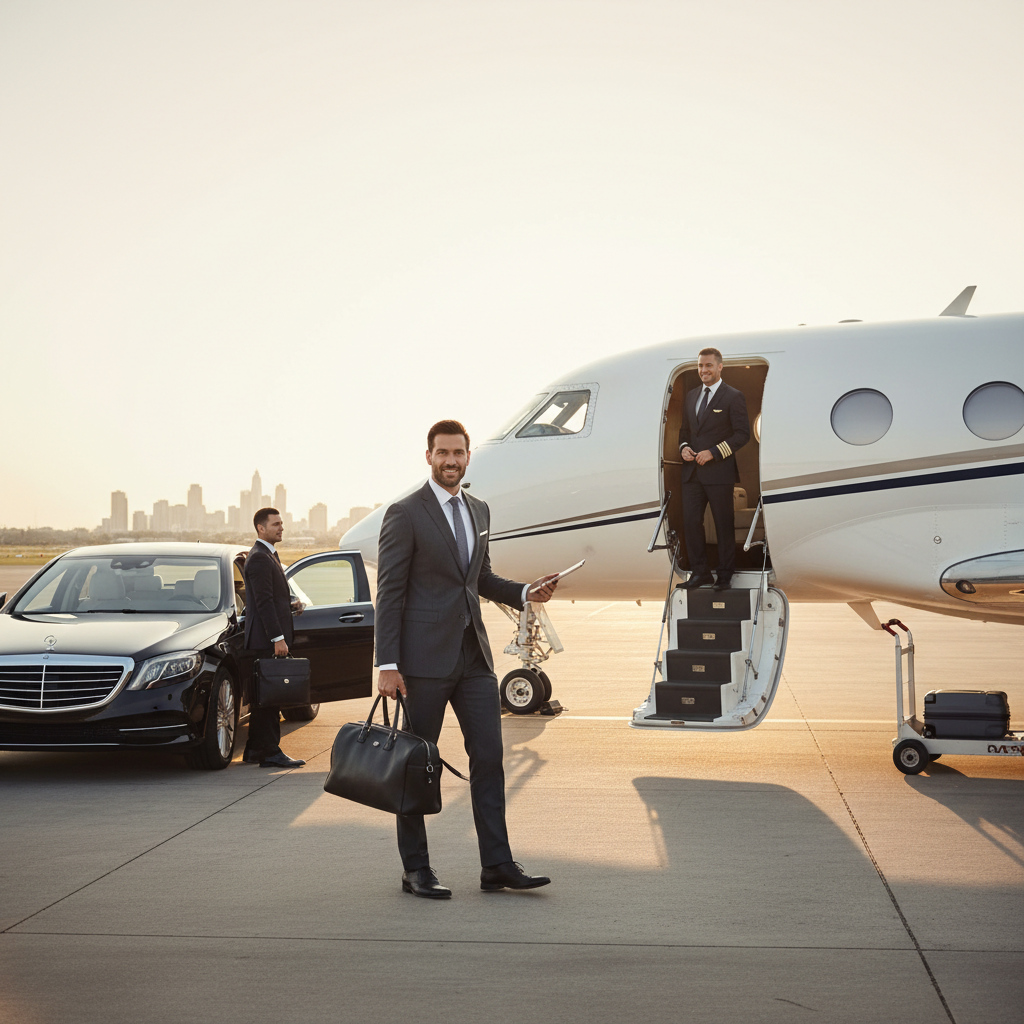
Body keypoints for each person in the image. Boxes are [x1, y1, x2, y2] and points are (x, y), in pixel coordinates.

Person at [375, 419, 559, 899]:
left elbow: (480, 577)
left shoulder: (479, 509)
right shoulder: (405, 513)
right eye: (443, 453)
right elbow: (389, 593)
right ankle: (415, 869)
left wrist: (524, 591)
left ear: (468, 456)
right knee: (417, 764)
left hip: (473, 657)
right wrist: (386, 664)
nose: (451, 461)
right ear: (429, 456)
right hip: (420, 662)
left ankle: (496, 864)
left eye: (458, 453)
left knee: (490, 759)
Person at [677, 347, 751, 592]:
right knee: (691, 524)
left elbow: (742, 435)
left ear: (720, 367)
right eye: (700, 366)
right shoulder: (691, 396)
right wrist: (684, 447)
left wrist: (714, 452)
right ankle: (700, 573)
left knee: (722, 525)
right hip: (692, 474)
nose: (703, 370)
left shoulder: (733, 396)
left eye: (708, 365)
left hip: (720, 473)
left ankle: (724, 576)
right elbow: (685, 431)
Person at [240, 507, 307, 769]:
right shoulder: (258, 558)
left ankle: (255, 749)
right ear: (261, 528)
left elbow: (271, 599)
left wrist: (290, 604)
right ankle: (270, 752)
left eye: (282, 523)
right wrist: (278, 638)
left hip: (265, 638)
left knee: (263, 698)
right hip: (265, 640)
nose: (282, 528)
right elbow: (263, 602)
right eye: (276, 524)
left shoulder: (267, 555)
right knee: (271, 699)